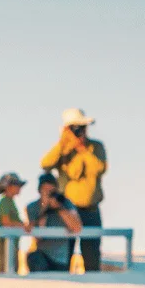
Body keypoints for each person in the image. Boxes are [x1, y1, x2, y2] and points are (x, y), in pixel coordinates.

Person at [40, 108, 108, 271]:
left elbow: (99, 168)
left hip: (90, 210)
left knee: (92, 258)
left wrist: (82, 149)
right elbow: (45, 164)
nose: (80, 132)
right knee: (64, 257)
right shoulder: (63, 150)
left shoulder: (96, 147)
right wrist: (63, 143)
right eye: (75, 128)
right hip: (67, 212)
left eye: (82, 127)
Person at [24, 173, 83, 272]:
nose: (49, 194)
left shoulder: (65, 203)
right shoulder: (32, 207)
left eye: (52, 191)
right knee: (34, 259)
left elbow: (77, 227)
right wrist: (44, 209)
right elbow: (38, 237)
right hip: (41, 255)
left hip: (61, 259)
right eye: (46, 191)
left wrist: (60, 208)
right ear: (40, 191)